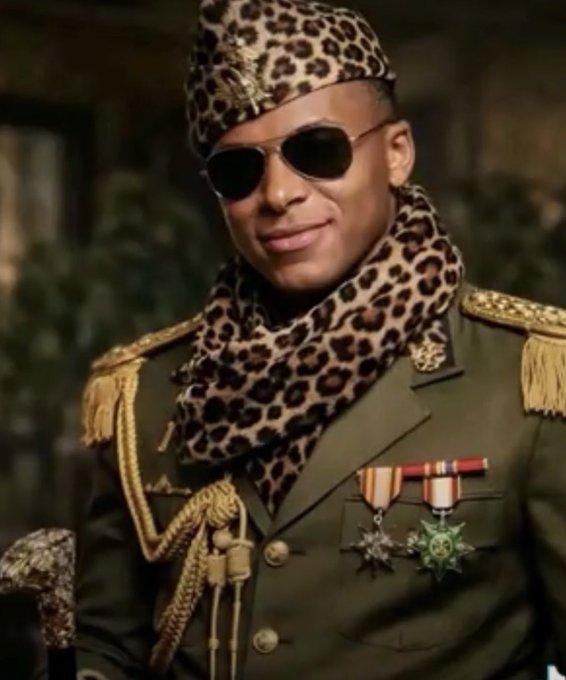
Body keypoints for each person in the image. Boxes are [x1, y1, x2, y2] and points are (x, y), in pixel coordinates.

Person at [74, 0, 566, 678]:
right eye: (239, 171)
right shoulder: (147, 395)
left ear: (397, 153)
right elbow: (105, 647)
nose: (278, 194)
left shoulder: (529, 382)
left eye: (317, 152)